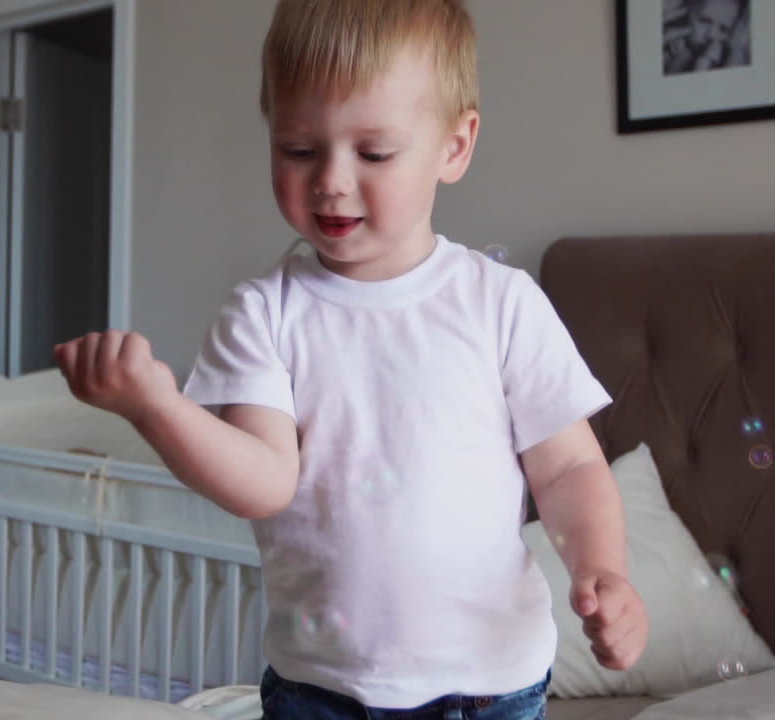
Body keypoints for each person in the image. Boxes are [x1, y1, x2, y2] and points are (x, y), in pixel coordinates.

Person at [53, 1, 648, 717]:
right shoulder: (264, 312)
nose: (331, 180)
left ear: (454, 148)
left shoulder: (501, 304)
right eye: (299, 149)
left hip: (491, 686)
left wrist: (604, 570)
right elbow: (264, 482)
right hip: (323, 692)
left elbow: (571, 468)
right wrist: (157, 406)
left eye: (373, 153)